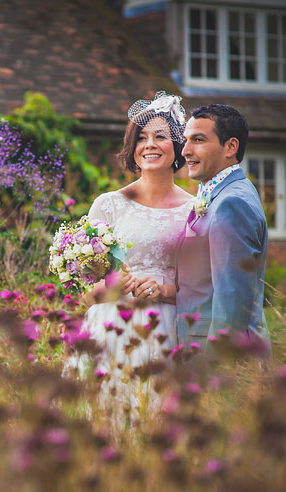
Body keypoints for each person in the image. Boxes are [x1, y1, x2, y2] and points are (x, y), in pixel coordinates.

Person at [69, 92, 193, 424]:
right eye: (141, 138)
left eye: (160, 136)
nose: (149, 145)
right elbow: (85, 292)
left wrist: (163, 290)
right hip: (110, 329)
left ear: (179, 146)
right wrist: (110, 284)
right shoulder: (108, 205)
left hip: (166, 329)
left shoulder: (195, 210)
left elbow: (208, 287)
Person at [176, 104, 270, 350]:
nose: (185, 150)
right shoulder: (214, 193)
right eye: (186, 140)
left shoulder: (232, 203)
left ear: (230, 147)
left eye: (198, 140)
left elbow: (232, 306)